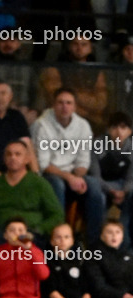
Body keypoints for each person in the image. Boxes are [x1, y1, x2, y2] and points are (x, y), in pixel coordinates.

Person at [31, 88, 106, 245]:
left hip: (72, 174)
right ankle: (58, 240)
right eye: (60, 103)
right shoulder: (42, 125)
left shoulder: (83, 126)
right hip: (49, 174)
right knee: (58, 185)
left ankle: (93, 244)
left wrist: (77, 178)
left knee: (94, 186)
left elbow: (83, 160)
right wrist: (70, 177)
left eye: (68, 103)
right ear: (53, 105)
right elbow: (43, 164)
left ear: (74, 107)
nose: (64, 107)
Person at [0, 140, 64, 247]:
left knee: (31, 249)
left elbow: (57, 215)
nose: (13, 157)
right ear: (4, 158)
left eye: (18, 154)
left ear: (27, 159)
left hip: (31, 233)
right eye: (9, 154)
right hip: (3, 233)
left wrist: (39, 229)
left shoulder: (40, 183)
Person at [90, 112, 133, 238]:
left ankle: (126, 244)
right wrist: (111, 190)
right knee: (99, 199)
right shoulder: (98, 144)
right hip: (103, 185)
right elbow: (95, 175)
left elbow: (131, 177)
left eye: (123, 127)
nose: (119, 132)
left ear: (130, 131)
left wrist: (124, 191)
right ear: (108, 129)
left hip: (124, 186)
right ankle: (98, 241)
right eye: (114, 127)